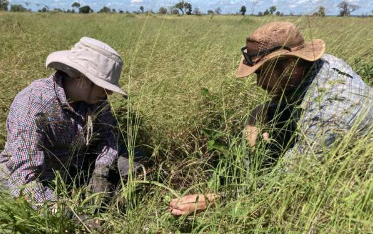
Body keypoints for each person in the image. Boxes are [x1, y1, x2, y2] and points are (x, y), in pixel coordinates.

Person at [169, 21, 373, 216]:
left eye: (261, 73)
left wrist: (214, 200)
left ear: (290, 65)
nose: (258, 83)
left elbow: (282, 183)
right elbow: (293, 97)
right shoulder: (319, 65)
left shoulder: (330, 119)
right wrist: (258, 113)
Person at [0, 37, 145, 208]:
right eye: (104, 86)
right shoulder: (34, 103)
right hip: (30, 180)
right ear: (82, 78)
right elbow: (24, 177)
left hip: (72, 168)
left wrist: (101, 169)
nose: (109, 94)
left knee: (134, 159)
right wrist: (67, 215)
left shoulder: (96, 100)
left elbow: (109, 134)